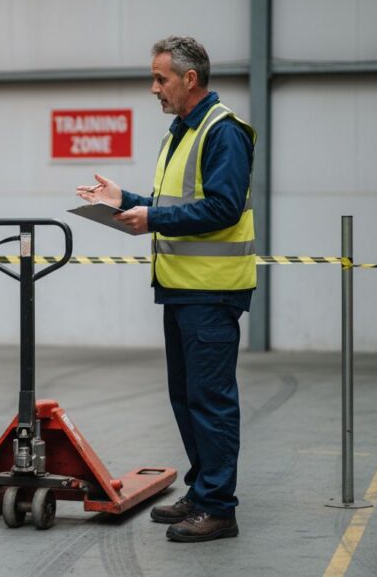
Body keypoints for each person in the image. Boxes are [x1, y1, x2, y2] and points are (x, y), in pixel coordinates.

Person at [76, 36, 255, 543]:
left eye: (161, 79)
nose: (154, 88)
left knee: (211, 400)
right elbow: (172, 200)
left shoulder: (224, 133)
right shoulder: (181, 132)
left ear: (189, 79)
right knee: (186, 397)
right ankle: (203, 492)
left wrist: (152, 216)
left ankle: (220, 507)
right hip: (182, 289)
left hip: (212, 292)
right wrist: (124, 198)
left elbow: (221, 207)